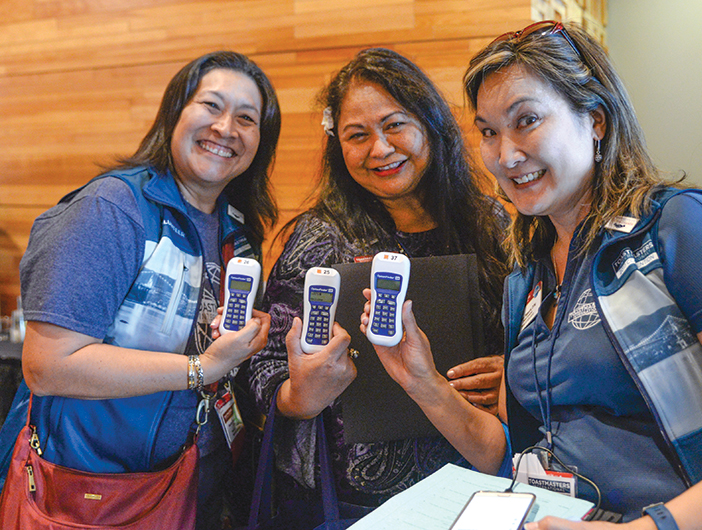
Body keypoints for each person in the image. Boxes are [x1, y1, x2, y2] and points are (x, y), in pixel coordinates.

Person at [360, 21, 702, 530]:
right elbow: (520, 459)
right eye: (488, 132)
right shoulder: (527, 274)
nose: (505, 155)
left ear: (595, 120)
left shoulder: (682, 228)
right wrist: (422, 381)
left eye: (526, 120)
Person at [15, 50, 278, 530]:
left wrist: (236, 336)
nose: (226, 128)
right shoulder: (113, 207)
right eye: (211, 106)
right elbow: (49, 366)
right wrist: (202, 368)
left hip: (195, 475)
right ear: (174, 113)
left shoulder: (237, 231)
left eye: (247, 118)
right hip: (92, 487)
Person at [246, 47, 510, 524]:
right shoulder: (319, 237)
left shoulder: (489, 222)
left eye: (394, 125)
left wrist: (512, 371)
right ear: (337, 145)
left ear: (430, 122)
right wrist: (298, 394)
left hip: (476, 487)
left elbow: (532, 337)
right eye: (357, 135)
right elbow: (264, 368)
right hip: (351, 507)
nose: (380, 149)